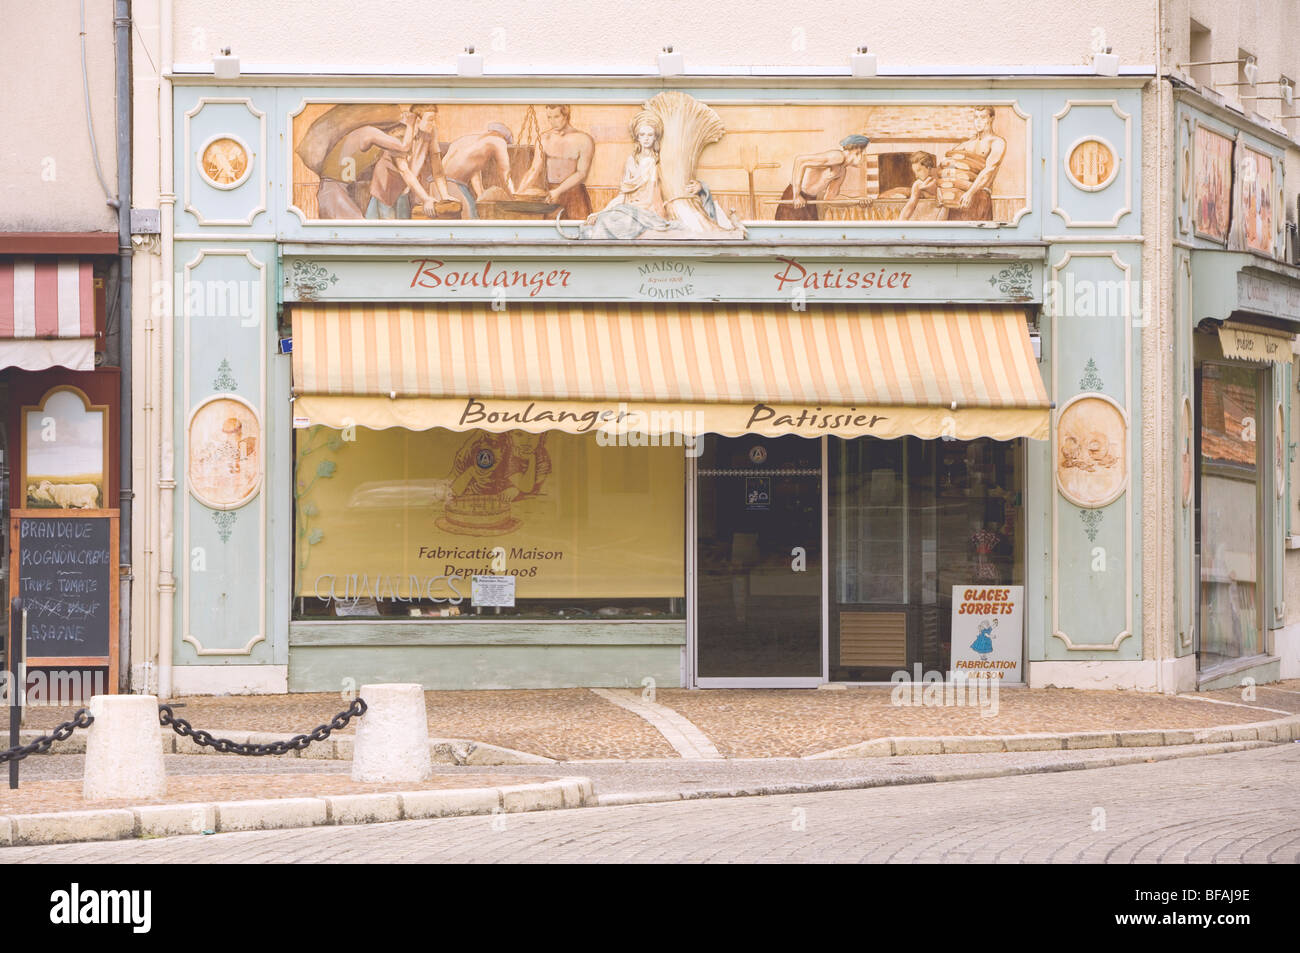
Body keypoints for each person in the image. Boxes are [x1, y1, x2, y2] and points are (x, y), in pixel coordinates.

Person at [576, 111, 737, 240]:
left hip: (653, 213)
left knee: (613, 221)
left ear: (655, 137)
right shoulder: (632, 161)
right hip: (631, 209)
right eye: (642, 135)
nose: (646, 139)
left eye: (650, 135)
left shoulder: (661, 161)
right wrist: (601, 212)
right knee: (607, 219)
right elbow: (623, 195)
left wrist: (701, 187)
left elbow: (678, 186)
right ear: (637, 137)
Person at [517, 105, 594, 219]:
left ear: (566, 114)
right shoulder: (544, 138)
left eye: (556, 117)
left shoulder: (584, 139)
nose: (552, 122)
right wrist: (519, 192)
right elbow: (535, 169)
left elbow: (582, 173)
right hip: (551, 194)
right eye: (549, 117)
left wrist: (558, 191)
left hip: (575, 194)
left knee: (582, 230)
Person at [775, 134, 872, 220]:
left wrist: (857, 200)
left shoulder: (842, 172)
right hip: (794, 196)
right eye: (863, 153)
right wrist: (796, 195)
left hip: (810, 201)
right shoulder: (837, 156)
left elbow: (830, 198)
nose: (864, 158)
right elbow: (800, 161)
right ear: (857, 151)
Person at [943, 105, 1005, 222]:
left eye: (982, 117)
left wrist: (970, 193)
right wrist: (945, 190)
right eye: (976, 117)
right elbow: (947, 162)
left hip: (979, 197)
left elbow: (988, 170)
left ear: (991, 118)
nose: (978, 121)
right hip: (958, 198)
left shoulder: (997, 142)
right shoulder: (967, 144)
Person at [442, 122, 518, 218]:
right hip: (453, 185)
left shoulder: (468, 140)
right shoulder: (499, 141)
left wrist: (480, 195)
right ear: (505, 138)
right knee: (472, 222)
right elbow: (505, 171)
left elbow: (474, 174)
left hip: (437, 185)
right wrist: (514, 196)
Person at [900, 151, 939, 221]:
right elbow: (910, 205)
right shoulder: (918, 184)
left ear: (928, 167)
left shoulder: (941, 176)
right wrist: (900, 223)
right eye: (915, 172)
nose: (916, 176)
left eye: (918, 170)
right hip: (929, 218)